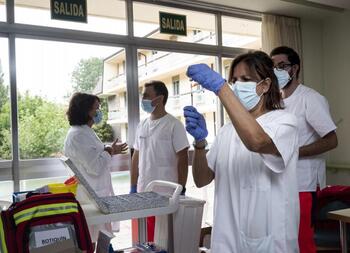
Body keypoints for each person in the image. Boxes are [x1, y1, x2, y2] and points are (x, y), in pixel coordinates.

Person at [184, 51, 300, 252]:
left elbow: (256, 141)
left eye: (245, 79)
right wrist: (200, 143)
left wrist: (221, 88)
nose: (237, 86)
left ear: (264, 85)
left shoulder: (284, 122)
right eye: (233, 80)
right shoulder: (226, 131)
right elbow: (202, 179)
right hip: (226, 242)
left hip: (269, 242)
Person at [271, 46, 338, 253]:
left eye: (282, 66)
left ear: (295, 68)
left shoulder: (310, 98)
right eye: (273, 67)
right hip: (279, 181)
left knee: (302, 240)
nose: (277, 71)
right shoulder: (275, 102)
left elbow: (331, 140)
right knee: (283, 239)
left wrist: (294, 152)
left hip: (303, 184)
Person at [64, 92, 127, 241]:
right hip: (90, 197)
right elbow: (95, 167)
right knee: (93, 240)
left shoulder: (85, 132)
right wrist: (109, 151)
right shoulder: (78, 135)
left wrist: (108, 149)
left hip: (96, 193)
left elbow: (93, 154)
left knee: (100, 238)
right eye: (96, 109)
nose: (99, 112)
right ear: (86, 111)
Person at [131, 80, 189, 241]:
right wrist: (133, 186)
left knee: (163, 239)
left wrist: (181, 189)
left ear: (160, 98)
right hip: (144, 192)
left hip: (166, 194)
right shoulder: (141, 125)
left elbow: (182, 159)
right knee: (145, 238)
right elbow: (136, 157)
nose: (143, 99)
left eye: (146, 96)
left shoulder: (173, 125)